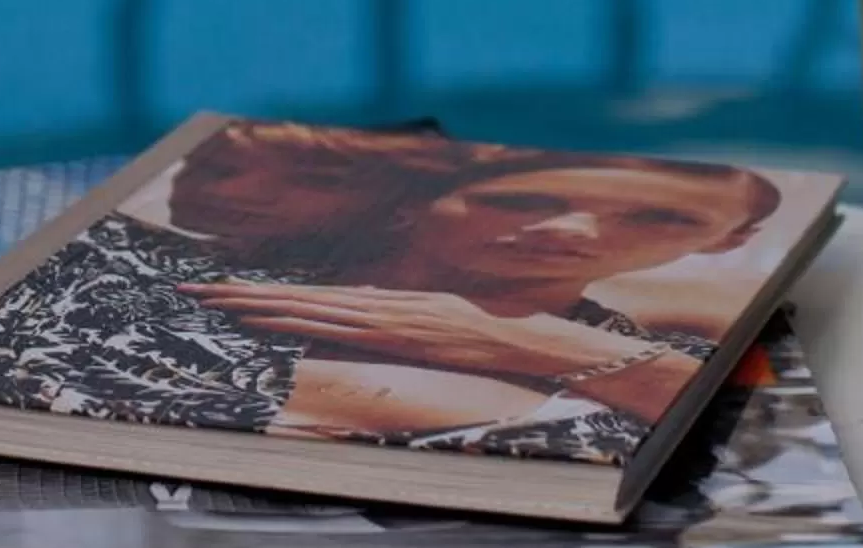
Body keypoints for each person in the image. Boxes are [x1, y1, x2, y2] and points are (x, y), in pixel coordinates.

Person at [184, 158, 784, 457]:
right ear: (415, 202)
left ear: (725, 241)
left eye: (661, 217)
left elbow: (770, 446)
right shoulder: (163, 267)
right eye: (519, 200)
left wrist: (538, 344)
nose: (567, 230)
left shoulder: (685, 352)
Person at [0, 121, 470, 428]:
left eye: (318, 180)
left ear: (403, 209)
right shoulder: (103, 247)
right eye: (216, 165)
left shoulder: (422, 310)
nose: (233, 192)